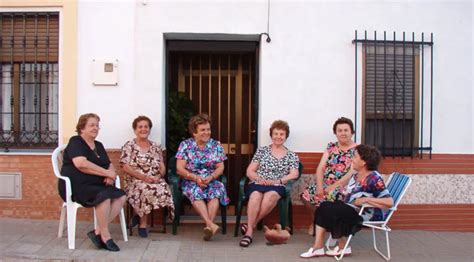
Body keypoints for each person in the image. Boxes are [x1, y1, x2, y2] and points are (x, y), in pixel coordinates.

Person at [300, 144, 393, 258]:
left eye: (355, 156)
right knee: (324, 207)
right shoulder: (356, 175)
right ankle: (319, 247)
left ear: (364, 162)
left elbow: (389, 202)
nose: (352, 159)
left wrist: (366, 199)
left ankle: (340, 246)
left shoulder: (374, 178)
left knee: (330, 210)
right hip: (352, 208)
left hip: (365, 213)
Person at [58, 113, 126, 252]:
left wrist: (111, 174)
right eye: (92, 125)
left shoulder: (98, 145)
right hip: (76, 186)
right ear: (82, 128)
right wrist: (107, 174)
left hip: (96, 184)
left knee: (121, 196)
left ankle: (98, 231)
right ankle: (105, 236)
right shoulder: (76, 141)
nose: (96, 128)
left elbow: (109, 164)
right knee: (104, 197)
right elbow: (81, 164)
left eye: (97, 125)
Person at [239, 120, 300, 247]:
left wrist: (277, 181)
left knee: (270, 196)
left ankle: (250, 227)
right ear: (271, 135)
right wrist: (260, 179)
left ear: (286, 136)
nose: (278, 136)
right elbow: (250, 171)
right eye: (276, 133)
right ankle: (250, 231)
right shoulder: (262, 151)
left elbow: (294, 174)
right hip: (258, 182)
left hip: (277, 185)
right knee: (255, 195)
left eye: (281, 134)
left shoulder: (291, 155)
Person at [175, 113, 229, 241]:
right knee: (196, 191)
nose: (206, 132)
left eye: (208, 129)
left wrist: (211, 177)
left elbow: (220, 167)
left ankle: (209, 228)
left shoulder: (215, 145)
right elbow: (179, 168)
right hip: (191, 180)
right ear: (194, 132)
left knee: (215, 192)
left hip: (211, 179)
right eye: (203, 130)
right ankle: (210, 224)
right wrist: (195, 178)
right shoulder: (186, 145)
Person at [120, 116, 175, 238]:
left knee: (163, 188)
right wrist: (142, 177)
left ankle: (136, 215)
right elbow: (125, 166)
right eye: (140, 127)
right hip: (134, 180)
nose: (143, 129)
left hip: (154, 179)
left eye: (146, 127)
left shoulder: (156, 146)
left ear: (150, 129)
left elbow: (162, 167)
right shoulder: (129, 145)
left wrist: (159, 176)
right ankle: (143, 224)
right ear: (135, 130)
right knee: (144, 188)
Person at [301, 117, 357, 234]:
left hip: (345, 187)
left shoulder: (357, 149)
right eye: (339, 130)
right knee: (306, 195)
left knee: (330, 197)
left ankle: (327, 226)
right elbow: (321, 168)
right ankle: (316, 222)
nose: (343, 133)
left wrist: (333, 187)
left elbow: (351, 172)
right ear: (335, 133)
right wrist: (320, 186)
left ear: (352, 132)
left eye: (346, 130)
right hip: (326, 184)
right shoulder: (331, 147)